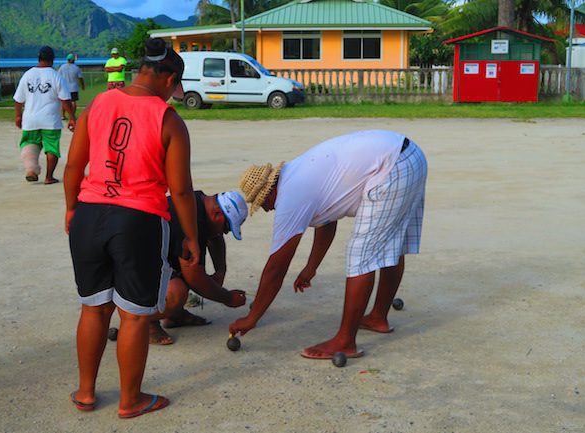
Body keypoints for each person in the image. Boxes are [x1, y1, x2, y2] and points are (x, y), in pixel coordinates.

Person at [64, 37, 196, 419]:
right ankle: (130, 400)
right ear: (169, 78)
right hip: (138, 220)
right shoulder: (168, 119)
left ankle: (86, 392)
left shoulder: (98, 103)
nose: (174, 94)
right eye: (176, 87)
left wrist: (72, 208)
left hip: (89, 214)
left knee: (93, 309)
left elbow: (74, 167)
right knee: (134, 316)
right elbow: (182, 190)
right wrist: (188, 236)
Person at [229, 130, 428, 360]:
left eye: (263, 203)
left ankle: (345, 342)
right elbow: (327, 220)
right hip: (408, 155)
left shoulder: (290, 195)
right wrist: (311, 267)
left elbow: (277, 267)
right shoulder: (298, 174)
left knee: (360, 256)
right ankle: (377, 317)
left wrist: (252, 317)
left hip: (391, 164)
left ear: (270, 192)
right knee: (389, 243)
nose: (266, 209)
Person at [148, 190, 249, 345]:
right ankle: (145, 320)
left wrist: (220, 271)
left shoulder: (201, 205)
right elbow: (195, 278)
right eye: (227, 227)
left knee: (188, 267)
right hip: (136, 262)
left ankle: (174, 314)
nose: (225, 232)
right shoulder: (191, 218)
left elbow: (215, 237)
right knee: (177, 292)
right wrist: (227, 298)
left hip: (158, 256)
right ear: (216, 213)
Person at [14, 45, 76, 184]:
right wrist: (72, 118)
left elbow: (18, 100)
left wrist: (18, 116)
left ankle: (31, 168)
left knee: (30, 143)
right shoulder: (56, 76)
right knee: (51, 148)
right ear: (52, 60)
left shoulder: (27, 75)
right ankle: (49, 177)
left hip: (30, 119)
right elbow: (65, 100)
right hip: (50, 120)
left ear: (39, 58)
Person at [58, 53, 85, 119]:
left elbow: (58, 76)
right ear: (73, 60)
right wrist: (82, 85)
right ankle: (72, 115)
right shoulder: (76, 68)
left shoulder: (62, 67)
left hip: (65, 87)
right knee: (73, 102)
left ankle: (62, 115)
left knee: (64, 101)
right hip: (74, 87)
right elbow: (80, 78)